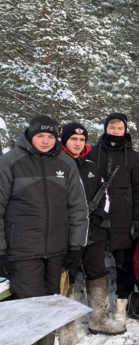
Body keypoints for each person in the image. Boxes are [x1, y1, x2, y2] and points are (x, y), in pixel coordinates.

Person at [0, 115, 89, 345]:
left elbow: (78, 208)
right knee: (28, 309)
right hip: (22, 251)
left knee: (50, 309)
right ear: (30, 135)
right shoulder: (10, 162)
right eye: (40, 135)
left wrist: (75, 245)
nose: (46, 140)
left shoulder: (65, 163)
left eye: (50, 136)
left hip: (57, 251)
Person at [59, 123, 126, 341]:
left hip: (94, 233)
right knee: (64, 278)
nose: (78, 143)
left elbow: (104, 195)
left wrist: (99, 216)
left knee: (97, 273)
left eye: (81, 140)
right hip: (65, 236)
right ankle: (65, 326)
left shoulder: (91, 167)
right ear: (65, 141)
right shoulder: (56, 165)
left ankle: (100, 319)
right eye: (73, 140)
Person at [87, 113, 139, 322]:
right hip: (98, 215)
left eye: (119, 128)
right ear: (105, 128)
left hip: (124, 215)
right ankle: (95, 305)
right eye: (112, 127)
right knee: (93, 260)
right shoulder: (92, 153)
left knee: (123, 261)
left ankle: (122, 301)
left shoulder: (134, 157)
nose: (115, 131)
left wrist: (138, 218)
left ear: (125, 130)